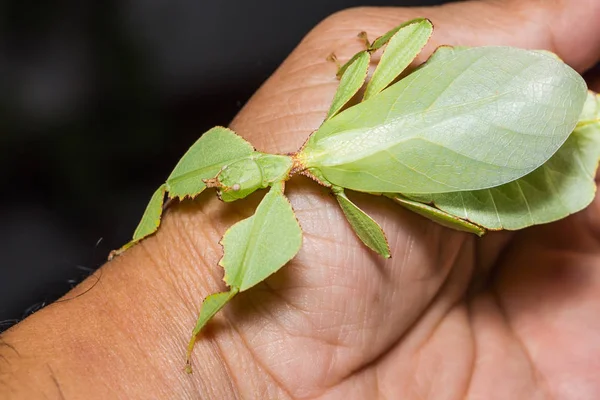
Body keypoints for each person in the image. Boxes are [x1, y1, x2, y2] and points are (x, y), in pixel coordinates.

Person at [2, 0, 600, 398]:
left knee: (452, 213)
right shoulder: (316, 150)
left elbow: (378, 238)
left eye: (223, 179)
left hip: (498, 132)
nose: (223, 185)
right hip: (477, 160)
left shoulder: (310, 162)